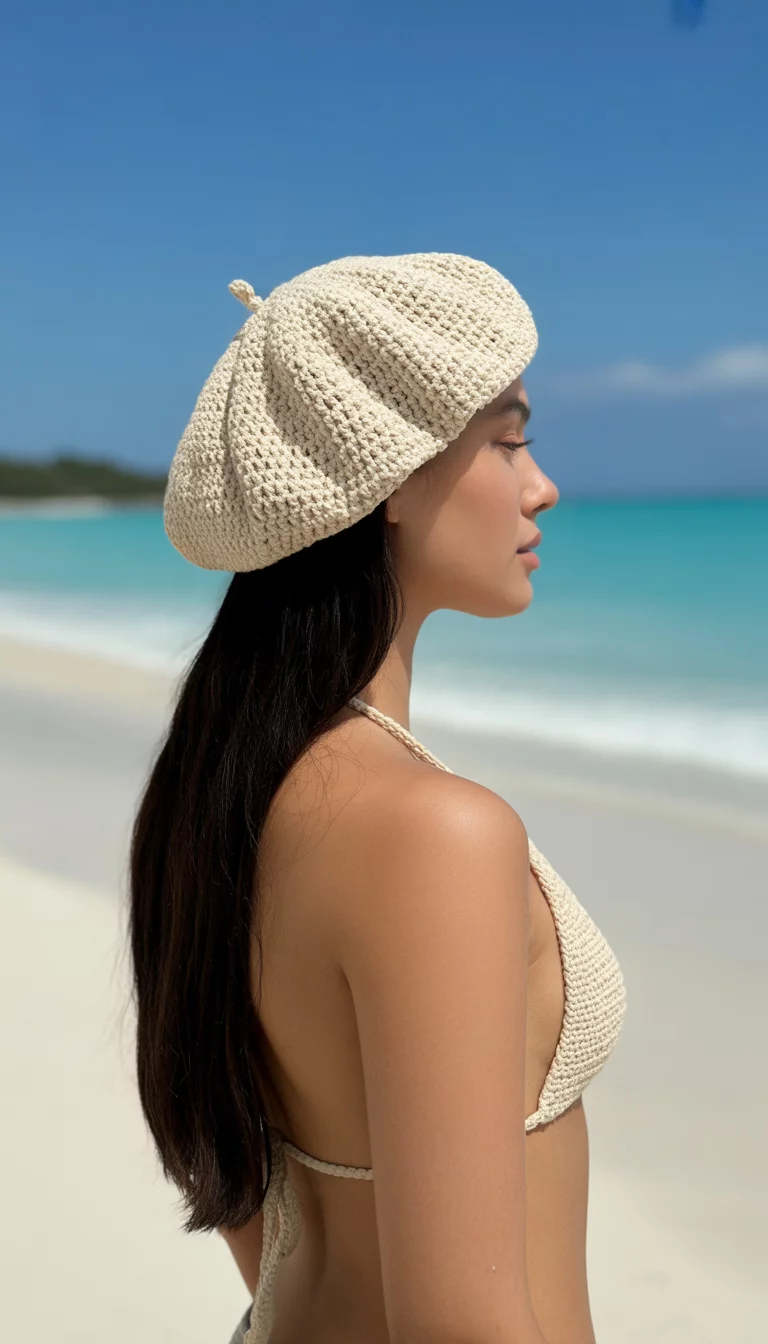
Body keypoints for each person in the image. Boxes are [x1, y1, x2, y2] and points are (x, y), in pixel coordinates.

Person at [129, 251, 627, 1344]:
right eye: (507, 440)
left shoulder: (226, 790)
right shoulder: (434, 832)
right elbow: (460, 1325)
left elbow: (254, 1193)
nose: (540, 485)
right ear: (392, 476)